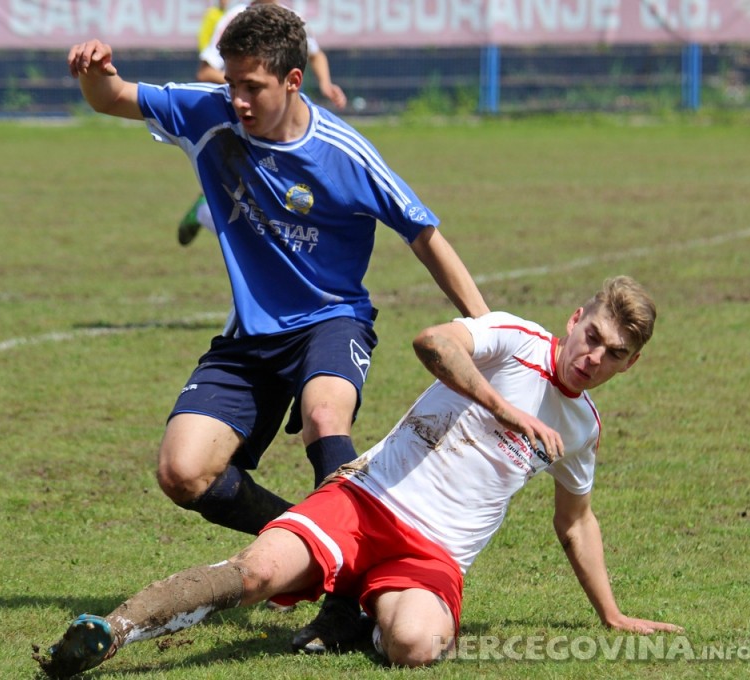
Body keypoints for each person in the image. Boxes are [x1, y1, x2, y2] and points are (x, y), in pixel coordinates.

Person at [64, 2, 489, 656]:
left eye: (253, 86)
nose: (237, 98)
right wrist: (95, 73)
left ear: (293, 81)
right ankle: (316, 544)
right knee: (182, 472)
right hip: (250, 338)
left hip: (331, 318)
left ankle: (346, 603)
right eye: (231, 82)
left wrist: (486, 329)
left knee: (326, 418)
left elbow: (423, 233)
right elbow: (113, 98)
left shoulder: (344, 153)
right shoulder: (208, 112)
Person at [34, 275, 682, 678]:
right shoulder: (514, 339)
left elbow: (577, 521)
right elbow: (433, 342)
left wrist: (613, 614)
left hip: (435, 554)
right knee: (255, 572)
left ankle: (356, 609)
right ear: (575, 320)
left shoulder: (582, 428)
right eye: (592, 336)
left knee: (416, 645)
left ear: (629, 366)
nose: (593, 357)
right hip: (367, 498)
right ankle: (110, 633)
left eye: (614, 354)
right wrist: (505, 409)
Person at [179, 0, 348, 246]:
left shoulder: (290, 18)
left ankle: (207, 209)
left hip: (281, 124)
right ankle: (206, 212)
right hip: (242, 121)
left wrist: (325, 84)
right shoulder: (236, 19)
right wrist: (249, 88)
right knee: (258, 221)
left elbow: (316, 52)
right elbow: (205, 72)